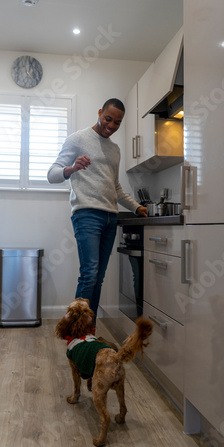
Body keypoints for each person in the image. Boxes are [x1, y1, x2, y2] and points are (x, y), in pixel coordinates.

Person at [47, 98, 147, 322]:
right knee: (89, 274)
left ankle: (88, 332)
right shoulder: (77, 139)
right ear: (100, 112)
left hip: (111, 218)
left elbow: (116, 187)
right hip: (87, 215)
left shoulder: (115, 150)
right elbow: (51, 174)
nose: (111, 126)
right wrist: (72, 168)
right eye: (108, 119)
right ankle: (75, 334)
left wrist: (136, 206)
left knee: (98, 277)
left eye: (117, 123)